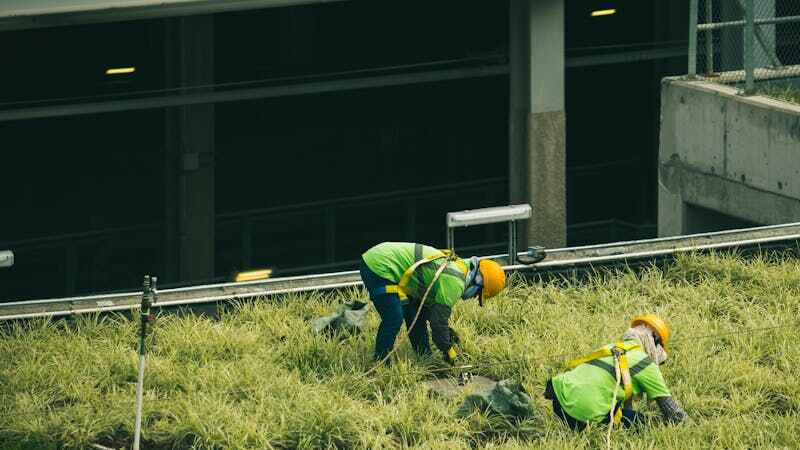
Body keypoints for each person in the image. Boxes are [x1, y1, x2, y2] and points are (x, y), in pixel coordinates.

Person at [360, 242, 506, 365]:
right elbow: (437, 323)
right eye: (477, 294)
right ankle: (381, 363)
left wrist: (447, 335)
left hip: (381, 259)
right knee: (394, 317)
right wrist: (449, 350)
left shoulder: (458, 267)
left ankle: (424, 357)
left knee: (417, 314)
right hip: (378, 266)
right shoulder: (456, 281)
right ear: (478, 281)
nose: (473, 297)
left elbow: (429, 314)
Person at [544, 315, 687, 430]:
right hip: (582, 415)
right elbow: (673, 412)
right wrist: (691, 424)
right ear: (656, 344)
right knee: (640, 421)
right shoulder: (646, 364)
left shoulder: (612, 348)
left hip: (559, 400)